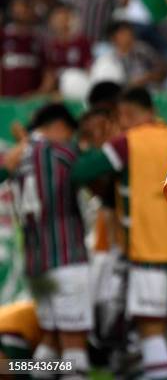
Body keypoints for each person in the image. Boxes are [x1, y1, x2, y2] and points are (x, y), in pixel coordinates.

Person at [70, 87, 167, 379]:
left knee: (151, 331)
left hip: (147, 251)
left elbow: (82, 172)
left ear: (127, 113)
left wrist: (84, 144)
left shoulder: (126, 143)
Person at [0, 103, 92, 378]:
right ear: (60, 126)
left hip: (36, 264)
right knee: (74, 347)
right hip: (67, 258)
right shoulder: (61, 152)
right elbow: (89, 170)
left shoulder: (17, 156)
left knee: (50, 341)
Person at [0, 0, 46, 97]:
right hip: (6, 99)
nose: (20, 12)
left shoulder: (39, 38)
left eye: (24, 9)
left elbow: (48, 71)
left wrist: (39, 94)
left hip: (30, 101)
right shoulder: (3, 35)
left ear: (30, 11)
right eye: (17, 9)